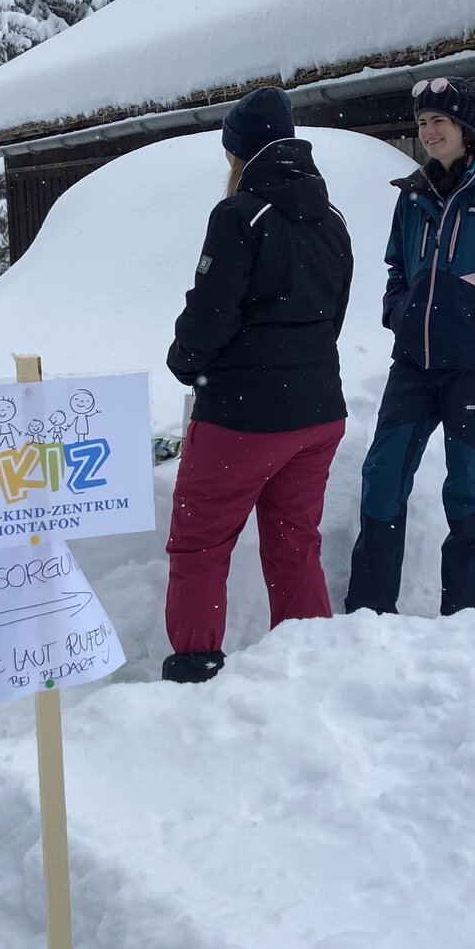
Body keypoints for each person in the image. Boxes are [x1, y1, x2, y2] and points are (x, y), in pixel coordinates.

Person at [162, 86, 354, 683]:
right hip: (320, 414)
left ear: (239, 153)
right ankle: (311, 665)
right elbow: (333, 316)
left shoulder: (238, 215)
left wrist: (185, 360)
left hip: (243, 417)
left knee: (200, 542)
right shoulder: (331, 219)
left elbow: (210, 315)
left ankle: (195, 666)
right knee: (295, 541)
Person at [345, 75, 475, 617]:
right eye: (422, 122)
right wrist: (398, 312)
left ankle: (470, 615)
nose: (429, 131)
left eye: (439, 120)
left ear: (466, 127)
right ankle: (368, 613)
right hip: (413, 363)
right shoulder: (413, 194)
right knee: (382, 475)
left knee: (469, 484)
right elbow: (396, 266)